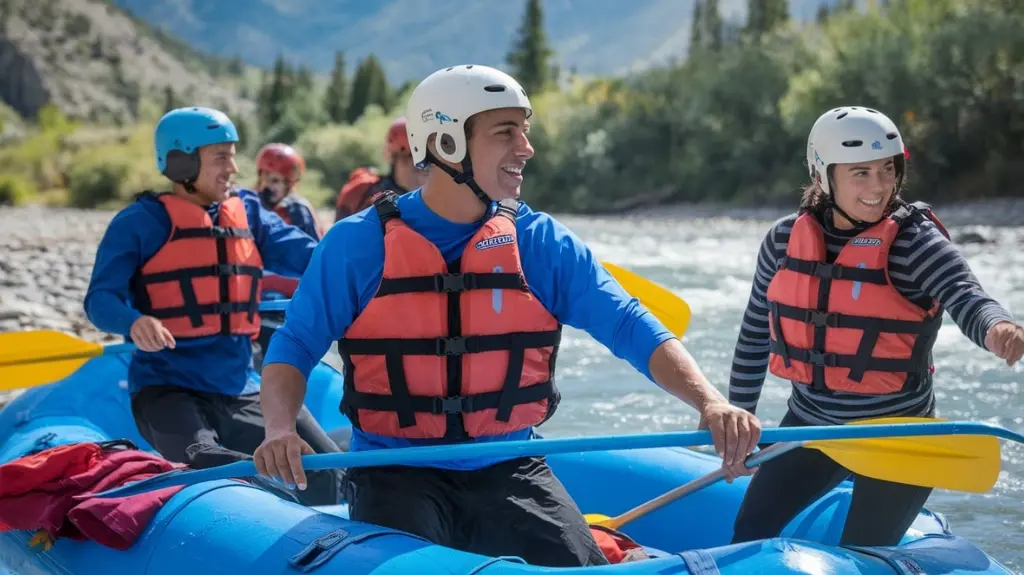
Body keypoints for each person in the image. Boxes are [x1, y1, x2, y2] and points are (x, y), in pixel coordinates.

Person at [254, 64, 762, 567]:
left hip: (512, 469)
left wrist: (710, 401)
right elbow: (295, 345)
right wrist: (278, 428)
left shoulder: (542, 242)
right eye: (505, 133)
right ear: (445, 144)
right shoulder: (357, 244)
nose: (526, 147)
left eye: (525, 130)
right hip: (392, 471)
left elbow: (629, 323)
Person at [727, 105, 1024, 547]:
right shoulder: (784, 241)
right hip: (811, 427)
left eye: (888, 170)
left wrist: (998, 328)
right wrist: (740, 416)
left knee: (863, 556)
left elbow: (967, 297)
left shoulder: (916, 244)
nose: (880, 186)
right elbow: (755, 331)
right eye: (860, 173)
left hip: (898, 437)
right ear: (823, 175)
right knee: (749, 534)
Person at [83, 106, 343, 507]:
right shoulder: (138, 223)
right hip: (169, 391)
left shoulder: (249, 212)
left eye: (233, 156)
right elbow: (101, 299)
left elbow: (310, 255)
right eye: (221, 157)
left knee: (333, 472)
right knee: (207, 464)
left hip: (243, 388)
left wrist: (364, 259)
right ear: (182, 161)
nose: (233, 168)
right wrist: (133, 321)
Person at [250, 142, 323, 368]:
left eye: (275, 181)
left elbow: (313, 254)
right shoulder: (247, 206)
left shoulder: (299, 211)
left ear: (289, 184)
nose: (267, 187)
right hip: (257, 302)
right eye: (265, 179)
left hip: (286, 303)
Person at [333, 116, 428, 221]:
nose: (423, 166)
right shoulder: (366, 192)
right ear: (396, 155)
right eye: (413, 157)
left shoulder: (438, 198)